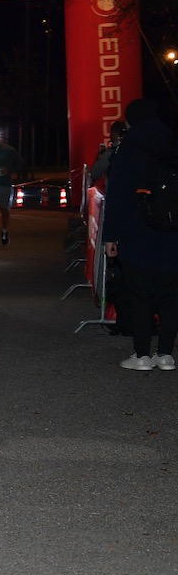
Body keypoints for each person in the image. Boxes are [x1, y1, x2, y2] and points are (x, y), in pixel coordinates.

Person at [101, 98, 178, 371]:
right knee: (169, 295)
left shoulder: (128, 149)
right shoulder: (172, 143)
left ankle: (142, 355)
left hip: (136, 231)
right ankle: (166, 354)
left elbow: (117, 197)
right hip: (171, 230)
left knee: (139, 295)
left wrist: (110, 236)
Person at [0, 127, 25, 246]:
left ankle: (4, 231)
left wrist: (10, 171)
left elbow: (20, 164)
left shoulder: (10, 150)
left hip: (4, 185)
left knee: (4, 211)